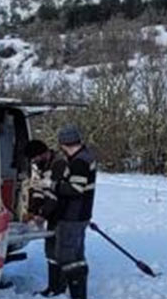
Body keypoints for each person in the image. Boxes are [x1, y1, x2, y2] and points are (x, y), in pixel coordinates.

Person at [51, 124, 97, 299]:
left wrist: (52, 185)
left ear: (64, 144)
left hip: (73, 216)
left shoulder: (79, 161)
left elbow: (75, 189)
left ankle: (77, 295)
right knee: (77, 256)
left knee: (68, 258)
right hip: (80, 215)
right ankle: (78, 294)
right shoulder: (85, 157)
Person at [24, 139, 63, 297]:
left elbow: (54, 195)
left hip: (63, 214)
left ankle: (60, 287)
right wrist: (33, 210)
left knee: (59, 250)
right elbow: (39, 190)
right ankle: (53, 286)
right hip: (52, 214)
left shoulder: (59, 164)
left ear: (43, 153)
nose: (34, 162)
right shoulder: (42, 166)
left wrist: (42, 214)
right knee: (50, 251)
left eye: (35, 158)